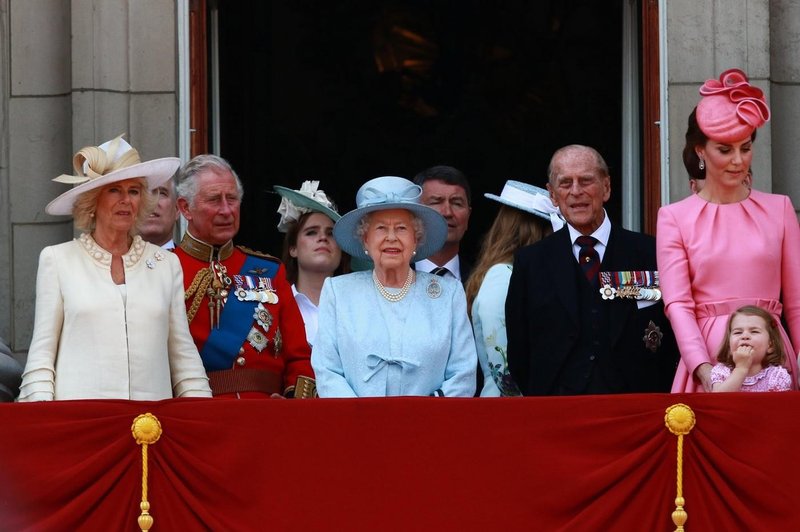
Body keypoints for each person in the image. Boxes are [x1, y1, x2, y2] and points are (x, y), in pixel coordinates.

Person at [18, 136, 211, 401]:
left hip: (151, 427)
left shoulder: (167, 264)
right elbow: (42, 356)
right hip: (82, 424)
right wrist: (44, 421)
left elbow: (183, 356)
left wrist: (203, 417)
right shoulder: (58, 260)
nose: (126, 200)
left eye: (133, 191)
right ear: (92, 200)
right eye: (114, 190)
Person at [657, 68, 800, 393]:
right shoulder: (673, 217)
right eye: (725, 149)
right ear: (700, 152)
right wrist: (702, 367)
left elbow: (796, 301)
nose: (738, 160)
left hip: (773, 356)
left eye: (745, 148)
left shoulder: (779, 209)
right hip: (709, 355)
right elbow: (678, 304)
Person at [506, 145, 679, 395]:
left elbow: (671, 333)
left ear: (606, 187)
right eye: (565, 184)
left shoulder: (650, 252)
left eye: (586, 181)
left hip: (637, 407)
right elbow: (520, 352)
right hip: (558, 410)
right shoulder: (531, 262)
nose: (576, 192)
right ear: (553, 195)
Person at [311, 176, 477, 397]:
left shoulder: (448, 293)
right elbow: (327, 370)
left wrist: (425, 414)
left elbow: (463, 373)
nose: (391, 238)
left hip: (429, 425)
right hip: (357, 425)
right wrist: (363, 418)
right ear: (365, 240)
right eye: (381, 228)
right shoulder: (338, 292)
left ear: (416, 239)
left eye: (401, 228)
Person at [174, 155, 315, 399]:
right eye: (214, 200)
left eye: (232, 199)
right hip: (196, 412)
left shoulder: (270, 271)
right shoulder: (165, 268)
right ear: (186, 208)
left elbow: (299, 356)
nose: (226, 210)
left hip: (267, 416)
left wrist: (293, 403)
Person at [465, 180, 563, 396]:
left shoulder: (520, 274)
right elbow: (504, 369)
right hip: (511, 411)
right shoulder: (502, 276)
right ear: (534, 231)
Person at [275, 180, 345, 347]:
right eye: (311, 232)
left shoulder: (360, 306)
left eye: (331, 233)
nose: (322, 238)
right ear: (293, 249)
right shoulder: (275, 305)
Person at [711, 305, 792, 392]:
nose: (745, 336)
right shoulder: (722, 371)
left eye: (754, 331)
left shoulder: (777, 375)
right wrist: (741, 369)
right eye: (738, 332)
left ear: (770, 345)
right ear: (729, 346)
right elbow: (719, 400)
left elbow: (780, 404)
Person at [413, 165, 472, 281]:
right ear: (415, 214)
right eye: (436, 202)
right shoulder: (386, 279)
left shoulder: (484, 283)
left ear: (468, 216)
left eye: (457, 203)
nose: (447, 212)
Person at [140, 177, 180, 249]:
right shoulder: (114, 259)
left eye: (161, 193)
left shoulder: (191, 260)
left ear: (177, 209)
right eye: (142, 193)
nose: (151, 202)